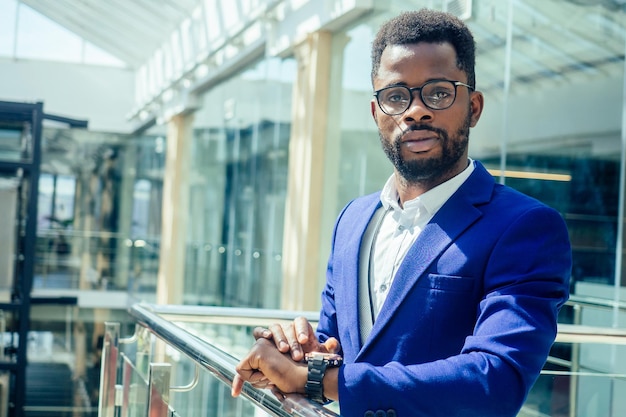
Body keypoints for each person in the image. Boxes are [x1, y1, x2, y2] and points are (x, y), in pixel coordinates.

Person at [231, 8, 572, 417]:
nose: (415, 111)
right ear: (377, 113)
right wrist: (298, 352)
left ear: (474, 107)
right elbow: (336, 345)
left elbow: (494, 378)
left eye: (439, 92)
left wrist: (315, 379)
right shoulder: (352, 221)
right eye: (396, 96)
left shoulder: (525, 227)